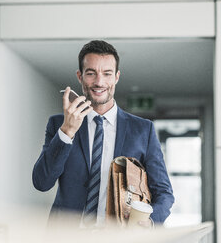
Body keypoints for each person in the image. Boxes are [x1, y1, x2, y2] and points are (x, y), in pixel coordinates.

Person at [32, 40, 174, 228]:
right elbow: (42, 182)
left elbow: (164, 192)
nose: (99, 82)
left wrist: (150, 221)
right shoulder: (59, 124)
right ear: (80, 76)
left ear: (116, 77)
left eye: (107, 74)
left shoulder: (142, 130)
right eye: (91, 73)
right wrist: (67, 132)